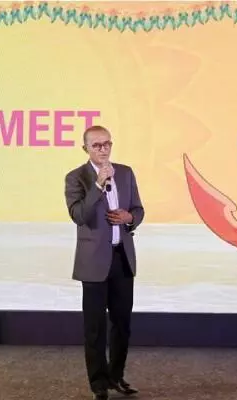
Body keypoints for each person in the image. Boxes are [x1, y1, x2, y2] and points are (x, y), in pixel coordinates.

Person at [64, 125, 144, 400]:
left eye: (107, 143)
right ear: (85, 148)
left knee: (122, 325)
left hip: (122, 258)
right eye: (96, 145)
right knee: (95, 328)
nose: (103, 149)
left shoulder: (126, 172)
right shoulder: (76, 177)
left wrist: (129, 218)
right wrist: (98, 184)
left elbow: (138, 209)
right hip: (94, 262)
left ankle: (116, 376)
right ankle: (98, 384)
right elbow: (79, 216)